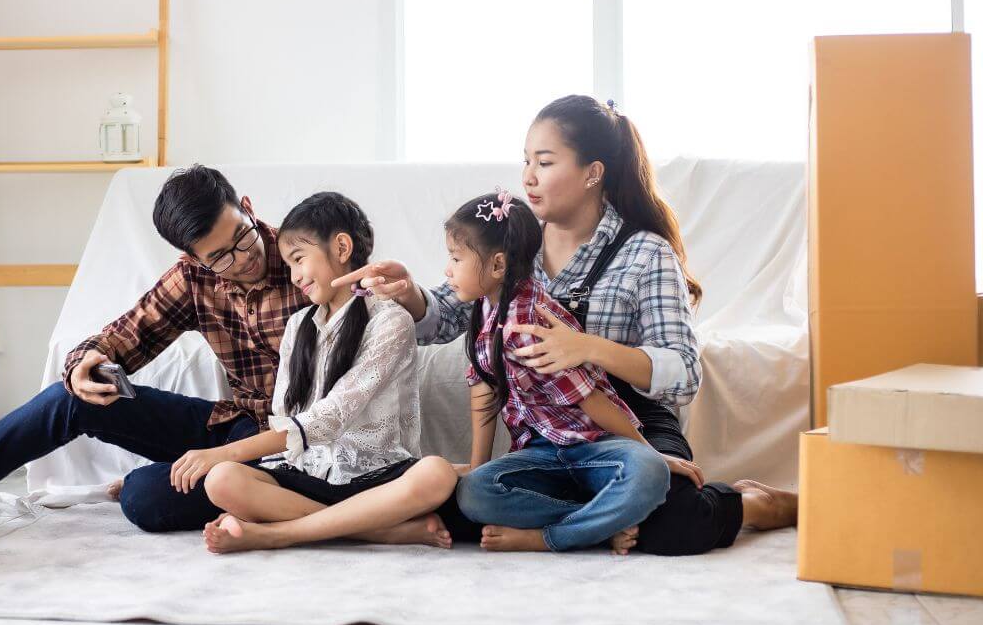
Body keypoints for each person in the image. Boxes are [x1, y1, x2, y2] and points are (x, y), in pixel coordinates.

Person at [336, 95, 797, 555]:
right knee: (456, 502)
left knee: (676, 524)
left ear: (592, 172)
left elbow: (683, 374)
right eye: (526, 161)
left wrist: (587, 348)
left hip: (627, 422)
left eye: (546, 162)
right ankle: (610, 517)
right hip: (544, 435)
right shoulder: (515, 243)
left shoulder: (644, 253)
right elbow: (447, 316)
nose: (528, 177)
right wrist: (407, 293)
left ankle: (753, 503)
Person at [0, 164, 310, 533]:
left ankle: (213, 486)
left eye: (243, 237)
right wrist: (84, 363)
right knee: (69, 399)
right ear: (195, 258)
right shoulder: (194, 278)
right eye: (220, 257)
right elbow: (125, 335)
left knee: (143, 496)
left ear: (248, 208)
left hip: (294, 448)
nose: (243, 258)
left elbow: (365, 308)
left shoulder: (306, 260)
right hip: (237, 425)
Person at [193, 192, 466, 554]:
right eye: (288, 264)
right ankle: (378, 532)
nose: (293, 276)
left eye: (298, 259)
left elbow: (328, 419)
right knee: (222, 481)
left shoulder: (390, 320)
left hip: (377, 479)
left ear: (341, 247)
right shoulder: (297, 326)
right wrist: (226, 462)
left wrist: (225, 452)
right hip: (309, 474)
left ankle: (278, 534)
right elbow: (285, 417)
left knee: (436, 473)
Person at [441, 189, 670, 553]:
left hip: (594, 446)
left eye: (455, 259)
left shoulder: (530, 321)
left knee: (651, 475)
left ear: (498, 265)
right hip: (542, 453)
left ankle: (548, 537)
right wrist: (476, 466)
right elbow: (483, 389)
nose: (447, 270)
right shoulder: (484, 310)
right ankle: (594, 522)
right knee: (474, 493)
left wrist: (653, 455)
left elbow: (590, 399)